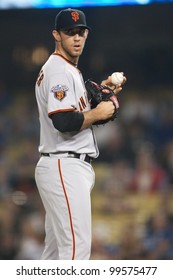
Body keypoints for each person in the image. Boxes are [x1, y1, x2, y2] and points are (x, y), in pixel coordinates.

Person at [35, 8, 126, 260]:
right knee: (76, 251)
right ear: (56, 35)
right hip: (64, 163)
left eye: (81, 32)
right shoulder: (59, 70)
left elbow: (72, 110)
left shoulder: (65, 68)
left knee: (55, 255)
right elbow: (63, 121)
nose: (76, 38)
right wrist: (98, 113)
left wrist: (103, 89)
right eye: (69, 32)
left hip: (63, 164)